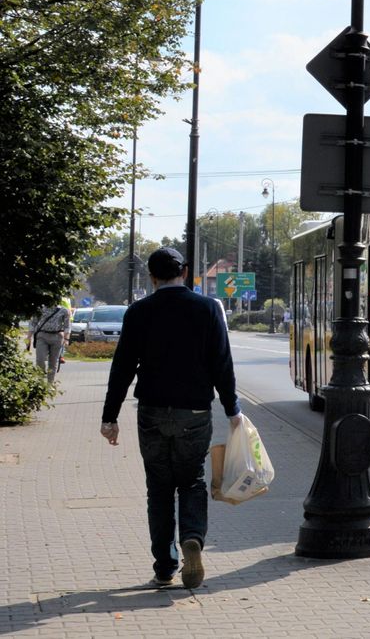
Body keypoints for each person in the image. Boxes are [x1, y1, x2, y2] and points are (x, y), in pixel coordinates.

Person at [100, 247, 242, 590]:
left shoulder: (139, 312)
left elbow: (123, 367)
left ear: (152, 277)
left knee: (159, 488)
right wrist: (232, 410)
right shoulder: (208, 308)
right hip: (194, 412)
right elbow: (221, 363)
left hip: (151, 411)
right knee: (192, 480)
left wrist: (110, 417)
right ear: (186, 272)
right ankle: (192, 537)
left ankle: (165, 567)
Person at [27, 300, 71, 383]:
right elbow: (33, 323)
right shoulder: (40, 309)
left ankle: (50, 384)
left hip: (57, 337)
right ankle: (40, 382)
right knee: (40, 359)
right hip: (42, 336)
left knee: (53, 362)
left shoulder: (64, 310)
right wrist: (29, 337)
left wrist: (66, 339)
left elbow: (67, 326)